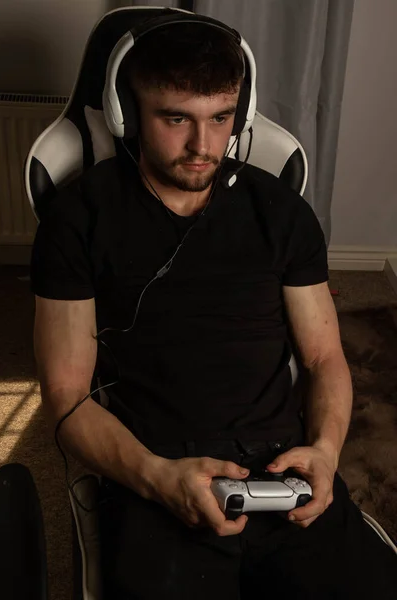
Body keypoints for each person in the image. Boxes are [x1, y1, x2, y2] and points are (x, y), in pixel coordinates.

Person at [30, 18, 397, 600]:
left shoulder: (281, 212)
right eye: (176, 118)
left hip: (280, 471)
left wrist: (325, 453)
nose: (205, 146)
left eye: (221, 118)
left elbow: (326, 358)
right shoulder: (78, 220)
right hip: (158, 477)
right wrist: (158, 479)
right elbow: (67, 399)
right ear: (128, 112)